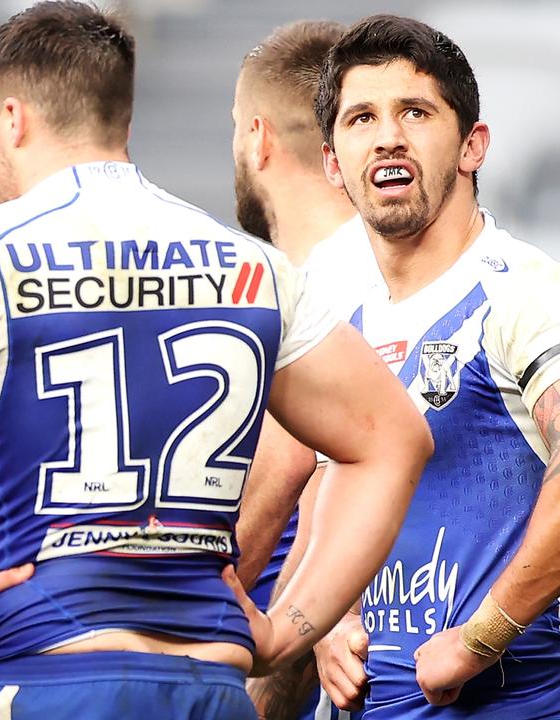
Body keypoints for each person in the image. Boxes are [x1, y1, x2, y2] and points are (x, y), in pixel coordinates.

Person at [0, 3, 432, 718]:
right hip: (208, 686)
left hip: (46, 674)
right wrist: (289, 629)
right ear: (123, 122)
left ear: (10, 120)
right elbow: (394, 439)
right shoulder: (251, 264)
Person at [303, 15, 560, 718]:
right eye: (362, 117)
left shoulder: (526, 289)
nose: (388, 134)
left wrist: (482, 638)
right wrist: (323, 615)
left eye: (416, 112)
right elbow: (321, 474)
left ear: (472, 145)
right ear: (334, 163)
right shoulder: (332, 307)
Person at [228, 20, 363, 720]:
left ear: (257, 137)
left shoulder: (301, 297)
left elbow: (288, 472)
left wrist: (184, 620)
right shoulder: (413, 277)